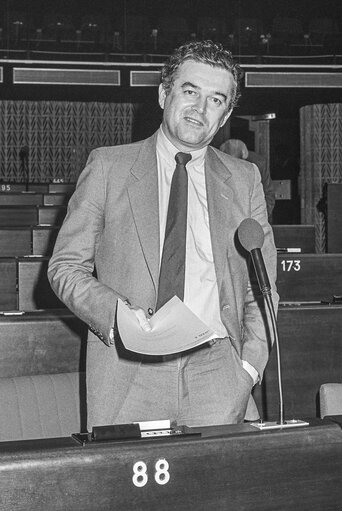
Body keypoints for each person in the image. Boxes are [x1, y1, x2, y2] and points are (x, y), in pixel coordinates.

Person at [48, 40, 279, 430]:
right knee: (126, 491)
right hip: (129, 370)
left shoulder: (245, 180)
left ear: (224, 117)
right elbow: (66, 267)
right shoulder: (108, 168)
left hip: (218, 371)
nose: (200, 108)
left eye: (216, 100)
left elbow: (263, 287)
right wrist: (118, 317)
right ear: (163, 93)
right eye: (190, 91)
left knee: (215, 490)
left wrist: (248, 368)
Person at [220, 138, 276, 220]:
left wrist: (259, 218)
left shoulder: (259, 165)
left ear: (244, 157)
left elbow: (268, 194)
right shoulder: (217, 166)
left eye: (237, 163)